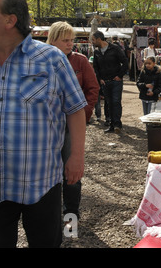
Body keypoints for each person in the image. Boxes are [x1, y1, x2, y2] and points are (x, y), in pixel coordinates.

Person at [0, 0, 87, 247]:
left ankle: (73, 227)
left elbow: (77, 106)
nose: (70, 43)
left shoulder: (51, 59)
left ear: (9, 20)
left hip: (39, 181)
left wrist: (76, 156)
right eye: (65, 39)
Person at [46, 21, 100, 223]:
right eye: (65, 40)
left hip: (70, 127)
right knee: (47, 174)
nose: (70, 44)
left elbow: (93, 89)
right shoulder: (41, 59)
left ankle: (71, 218)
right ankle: (50, 220)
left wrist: (82, 114)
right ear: (53, 39)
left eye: (72, 40)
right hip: (47, 127)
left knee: (72, 174)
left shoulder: (80, 61)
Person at [92, 30, 128, 134]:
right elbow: (96, 67)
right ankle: (112, 124)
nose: (92, 42)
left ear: (99, 39)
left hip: (116, 81)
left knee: (116, 102)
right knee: (109, 103)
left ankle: (117, 124)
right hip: (105, 82)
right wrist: (100, 78)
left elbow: (125, 62)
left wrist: (120, 76)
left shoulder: (115, 48)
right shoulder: (97, 52)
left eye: (93, 40)